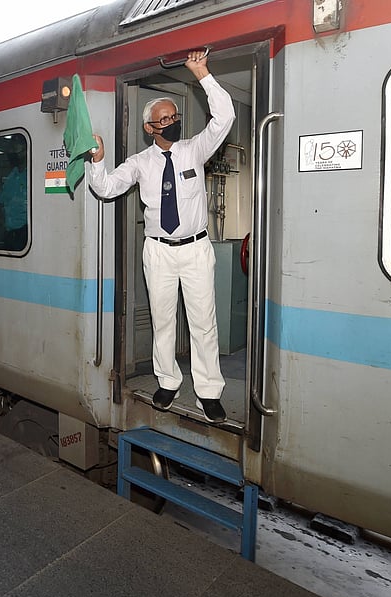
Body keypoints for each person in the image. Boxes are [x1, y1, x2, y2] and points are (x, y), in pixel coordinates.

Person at [87, 50, 232, 423]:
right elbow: (104, 188)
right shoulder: (139, 163)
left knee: (203, 323)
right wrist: (97, 159)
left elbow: (224, 118)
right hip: (159, 252)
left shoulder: (193, 151)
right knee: (163, 320)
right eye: (162, 119)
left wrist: (202, 75)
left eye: (174, 117)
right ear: (149, 128)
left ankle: (208, 392)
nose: (170, 122)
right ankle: (167, 382)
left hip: (196, 249)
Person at [0, 153, 28, 250]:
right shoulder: (11, 176)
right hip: (9, 232)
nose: (14, 152)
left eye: (18, 148)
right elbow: (1, 200)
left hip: (25, 231)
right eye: (13, 148)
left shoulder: (32, 174)